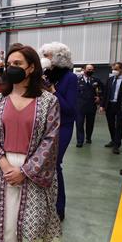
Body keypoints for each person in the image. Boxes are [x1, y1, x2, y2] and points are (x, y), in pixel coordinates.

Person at [0, 45, 61, 242]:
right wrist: (4, 164)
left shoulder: (49, 102)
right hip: (4, 169)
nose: (11, 68)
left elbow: (50, 142)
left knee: (29, 230)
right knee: (5, 227)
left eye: (17, 64)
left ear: (31, 68)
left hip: (32, 173)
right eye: (9, 64)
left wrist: (25, 171)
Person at [40, 42, 78, 222]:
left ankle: (59, 206)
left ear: (57, 58)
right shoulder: (46, 75)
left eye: (47, 56)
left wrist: (52, 91)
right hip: (46, 125)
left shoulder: (70, 78)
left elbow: (70, 108)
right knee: (43, 165)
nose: (44, 59)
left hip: (63, 126)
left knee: (55, 165)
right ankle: (45, 203)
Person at [100, 62, 122, 155]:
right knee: (110, 124)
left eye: (116, 69)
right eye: (113, 69)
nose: (114, 71)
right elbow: (105, 93)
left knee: (119, 125)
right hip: (110, 105)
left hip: (120, 106)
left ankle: (116, 145)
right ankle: (113, 140)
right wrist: (102, 105)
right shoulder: (110, 79)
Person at [76, 64, 103, 147]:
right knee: (79, 124)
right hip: (80, 106)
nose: (90, 71)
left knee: (90, 124)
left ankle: (88, 137)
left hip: (91, 106)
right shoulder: (77, 80)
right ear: (84, 69)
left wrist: (99, 97)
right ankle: (80, 141)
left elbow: (102, 90)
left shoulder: (96, 80)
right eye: (88, 69)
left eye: (91, 69)